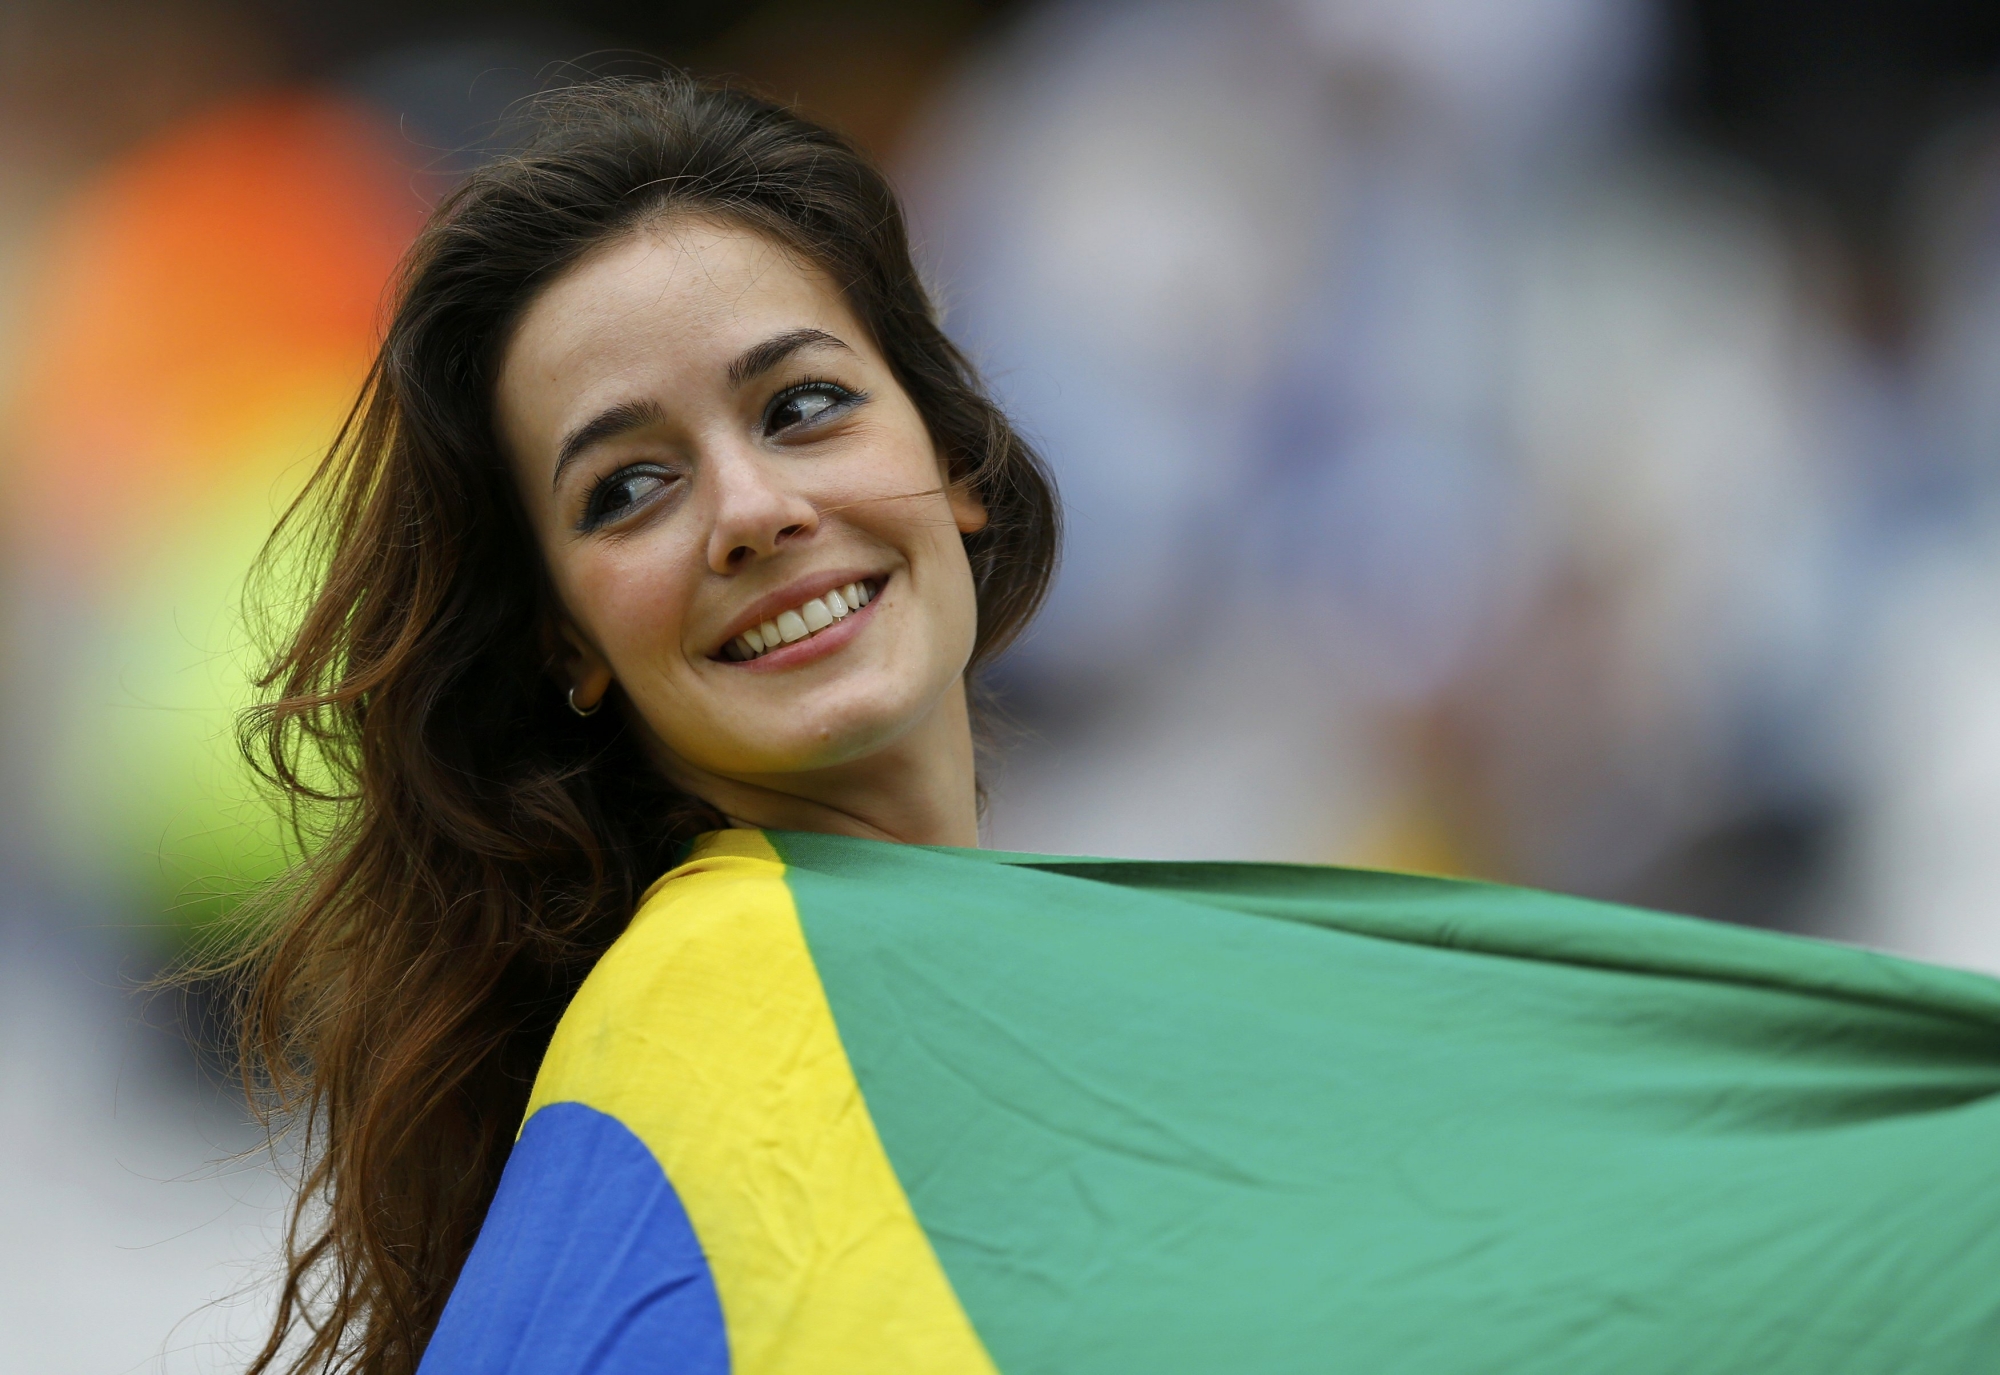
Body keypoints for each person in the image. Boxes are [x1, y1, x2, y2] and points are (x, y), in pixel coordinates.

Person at [232, 77, 2000, 1375]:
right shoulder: (690, 1026)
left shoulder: (1168, 991)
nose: (753, 510)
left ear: (956, 465)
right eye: (628, 487)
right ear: (567, 641)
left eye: (806, 407)